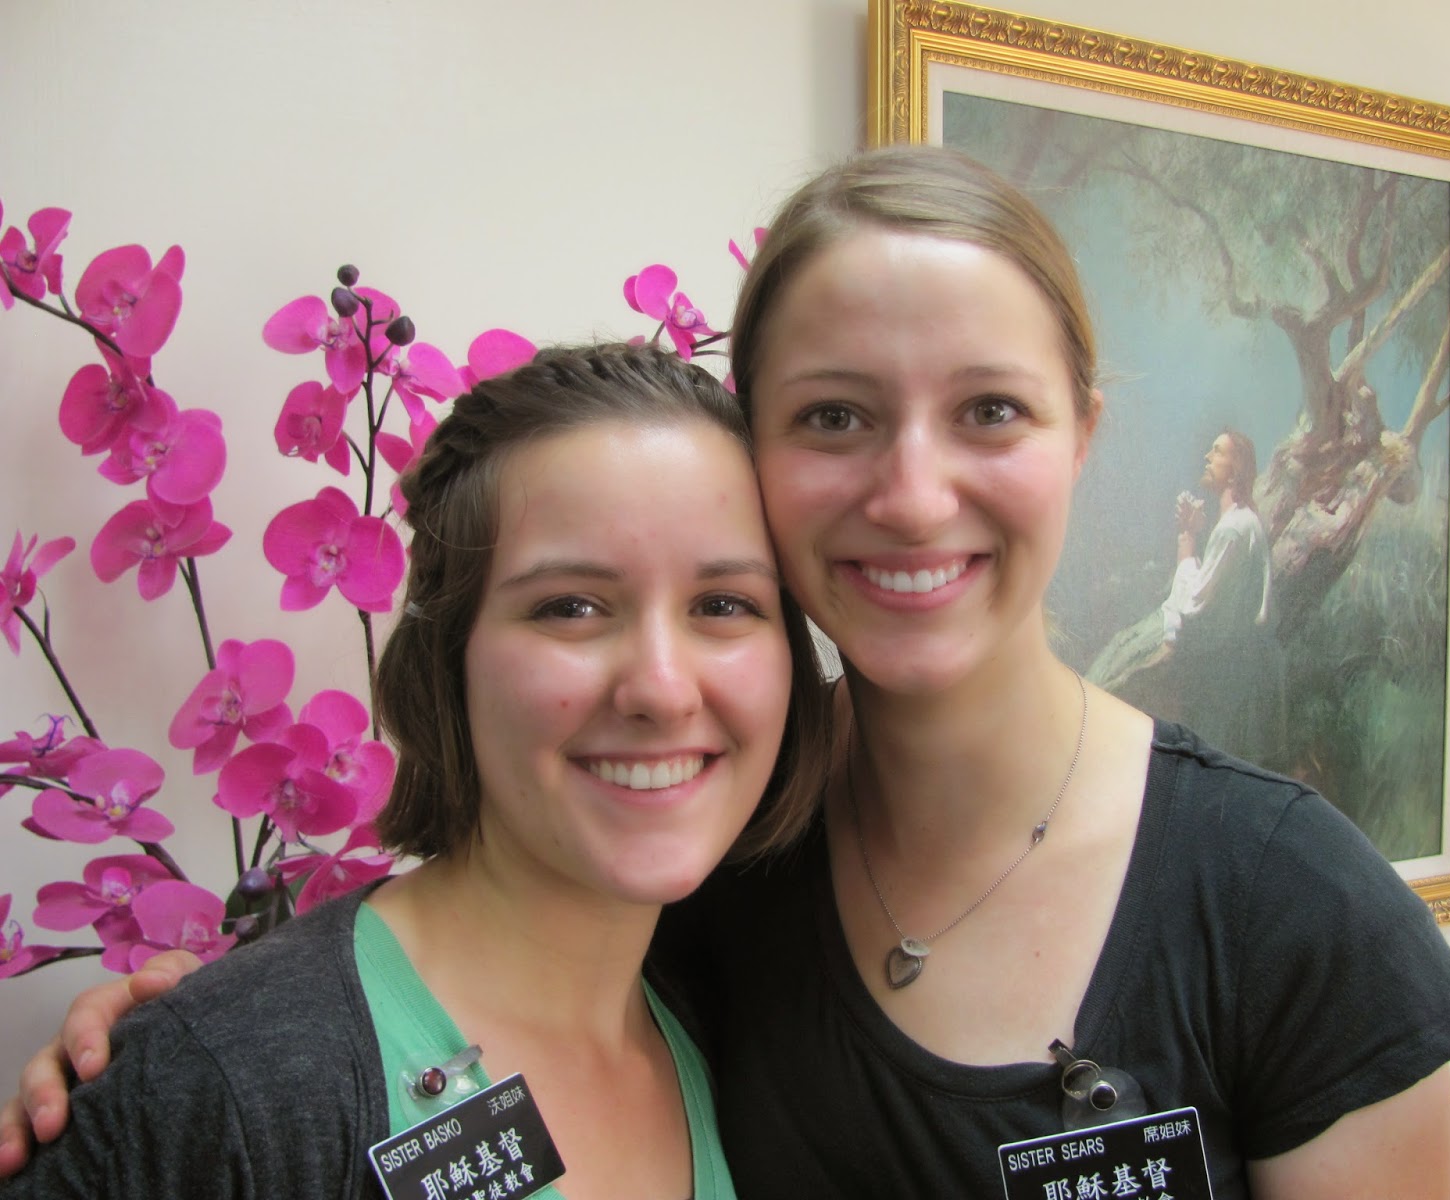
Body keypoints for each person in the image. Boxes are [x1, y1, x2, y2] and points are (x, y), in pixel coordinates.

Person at [1, 147, 1450, 1199]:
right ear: (756, 451)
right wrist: (201, 1063)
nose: (912, 493)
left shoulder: (1289, 909)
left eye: (989, 410)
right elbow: (418, 999)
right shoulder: (708, 873)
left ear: (1083, 436)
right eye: (834, 417)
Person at [0, 342, 830, 1198]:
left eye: (723, 604)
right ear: (448, 657)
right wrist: (181, 1074)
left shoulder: (744, 1020)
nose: (661, 687)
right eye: (571, 607)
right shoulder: (230, 1087)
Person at [1154, 429, 1286, 764]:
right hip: (1242, 674)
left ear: (1236, 468)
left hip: (1232, 679)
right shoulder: (1240, 523)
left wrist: (1186, 540)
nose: (1207, 457)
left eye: (1217, 451)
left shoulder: (1233, 530)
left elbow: (1195, 605)